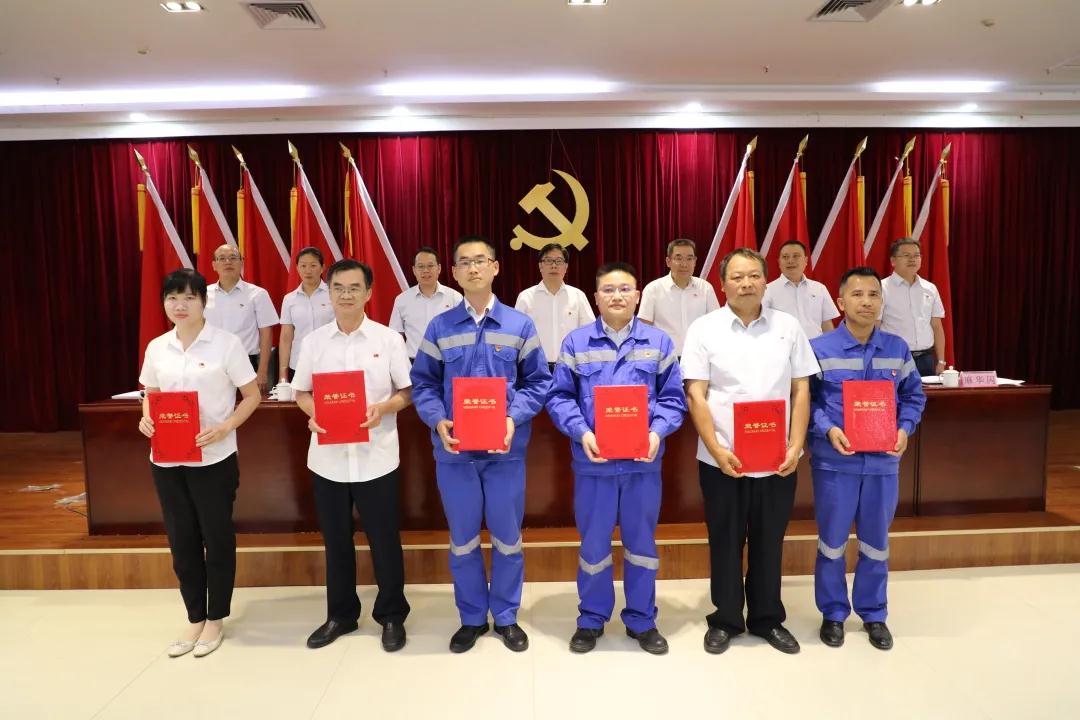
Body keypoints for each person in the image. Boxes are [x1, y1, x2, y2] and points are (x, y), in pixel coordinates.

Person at [410, 234, 551, 654]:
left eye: (480, 261)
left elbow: (538, 382)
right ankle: (472, 617)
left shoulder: (519, 325)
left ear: (495, 267)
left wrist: (511, 417)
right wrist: (437, 419)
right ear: (453, 272)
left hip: (506, 452)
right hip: (455, 454)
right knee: (463, 539)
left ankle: (506, 615)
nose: (473, 268)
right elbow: (423, 384)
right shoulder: (440, 327)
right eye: (465, 262)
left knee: (507, 537)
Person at [681, 248, 819, 656]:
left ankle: (767, 618)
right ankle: (725, 618)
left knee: (769, 540)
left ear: (765, 280)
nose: (746, 284)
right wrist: (716, 449)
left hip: (777, 459)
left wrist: (796, 445)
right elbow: (696, 393)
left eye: (754, 276)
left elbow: (801, 388)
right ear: (722, 284)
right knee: (724, 540)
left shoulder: (788, 326)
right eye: (737, 277)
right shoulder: (704, 329)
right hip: (722, 458)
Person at [546, 262, 685, 655]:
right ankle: (591, 618)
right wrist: (582, 432)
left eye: (625, 289)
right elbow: (559, 397)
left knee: (641, 545)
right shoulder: (576, 343)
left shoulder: (659, 342)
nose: (617, 296)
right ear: (596, 298)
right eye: (608, 290)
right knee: (593, 546)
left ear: (638, 295)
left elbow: (673, 399)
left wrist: (657, 432)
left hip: (643, 465)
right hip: (594, 465)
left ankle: (642, 620)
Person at [137, 268, 261, 658]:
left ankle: (216, 617)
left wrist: (226, 427)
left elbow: (252, 395)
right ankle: (195, 615)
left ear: (203, 302)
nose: (180, 305)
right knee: (182, 539)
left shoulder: (226, 344)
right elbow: (150, 392)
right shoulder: (158, 347)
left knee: (216, 537)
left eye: (189, 297)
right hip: (167, 459)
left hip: (214, 458)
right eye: (172, 297)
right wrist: (146, 418)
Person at [292, 259, 413, 652]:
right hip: (328, 460)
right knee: (336, 541)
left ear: (368, 293)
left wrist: (383, 408)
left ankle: (391, 615)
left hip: (377, 456)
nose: (346, 295)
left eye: (354, 288)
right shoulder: (313, 342)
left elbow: (406, 392)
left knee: (384, 539)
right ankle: (341, 615)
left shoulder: (388, 340)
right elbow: (301, 392)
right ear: (329, 293)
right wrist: (314, 414)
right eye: (338, 288)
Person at [808, 266, 926, 651]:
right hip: (835, 463)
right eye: (857, 294)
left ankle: (874, 613)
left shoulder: (897, 348)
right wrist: (828, 428)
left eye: (874, 295)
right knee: (832, 541)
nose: (866, 302)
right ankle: (833, 613)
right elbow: (806, 402)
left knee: (876, 541)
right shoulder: (819, 348)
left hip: (882, 463)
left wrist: (904, 428)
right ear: (840, 302)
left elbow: (913, 396)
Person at [204, 244, 279, 393]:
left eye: (233, 258)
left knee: (250, 405)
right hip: (210, 363)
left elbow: (266, 333)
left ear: (241, 263)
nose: (228, 262)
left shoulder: (258, 294)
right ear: (214, 265)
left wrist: (262, 370)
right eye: (222, 258)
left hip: (246, 363)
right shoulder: (203, 295)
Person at [514, 242, 595, 370]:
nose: (553, 265)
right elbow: (517, 335)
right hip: (535, 369)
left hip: (570, 367)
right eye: (548, 261)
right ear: (540, 266)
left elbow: (589, 332)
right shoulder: (526, 297)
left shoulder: (578, 296)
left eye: (559, 261)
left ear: (566, 267)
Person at [638, 238, 720, 356]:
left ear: (695, 261)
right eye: (678, 258)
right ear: (668, 261)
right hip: (665, 358)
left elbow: (715, 323)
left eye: (689, 259)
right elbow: (644, 327)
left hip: (699, 356)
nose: (684, 264)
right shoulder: (653, 289)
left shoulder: (705, 288)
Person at [880, 237, 947, 377]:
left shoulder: (930, 288)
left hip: (925, 358)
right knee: (896, 392)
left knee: (927, 392)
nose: (912, 259)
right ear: (893, 261)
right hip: (894, 358)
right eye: (906, 255)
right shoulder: (881, 288)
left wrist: (941, 361)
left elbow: (936, 326)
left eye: (916, 255)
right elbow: (874, 326)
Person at [389, 246, 463, 360]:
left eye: (430, 266)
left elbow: (464, 332)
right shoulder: (402, 300)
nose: (426, 271)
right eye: (421, 266)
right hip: (414, 362)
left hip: (447, 361)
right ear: (414, 270)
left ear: (439, 268)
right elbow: (395, 335)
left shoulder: (455, 297)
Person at [762, 240, 840, 339]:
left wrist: (829, 346)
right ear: (779, 262)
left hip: (816, 346)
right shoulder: (767, 290)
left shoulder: (819, 288)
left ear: (806, 260)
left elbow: (826, 324)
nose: (790, 261)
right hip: (783, 346)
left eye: (796, 256)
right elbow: (762, 324)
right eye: (785, 257)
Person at [278, 247, 333, 384]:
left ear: (322, 268)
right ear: (297, 268)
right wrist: (283, 374)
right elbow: (286, 338)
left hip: (330, 361)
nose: (308, 270)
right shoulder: (289, 299)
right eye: (303, 266)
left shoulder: (334, 294)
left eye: (313, 265)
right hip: (298, 363)